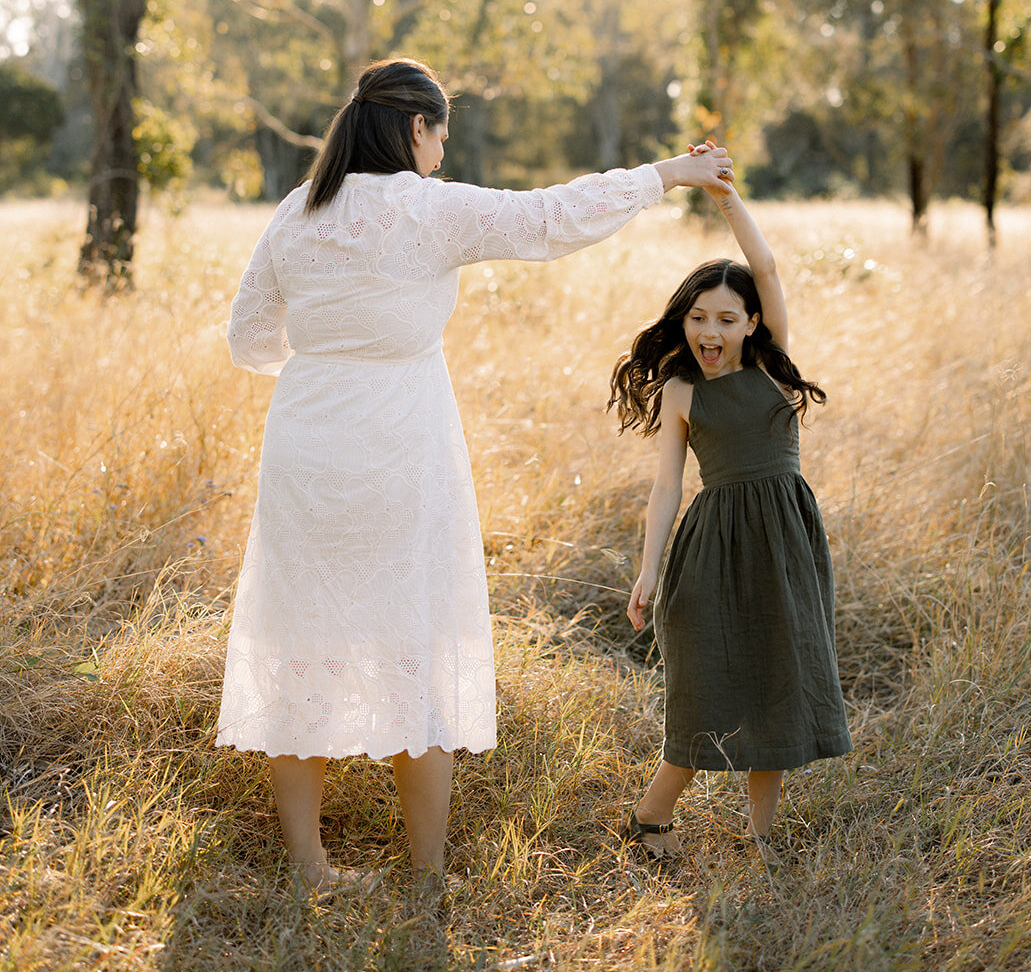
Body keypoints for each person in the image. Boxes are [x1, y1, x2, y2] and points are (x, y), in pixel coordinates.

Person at [217, 58, 735, 892]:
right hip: (400, 442)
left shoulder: (296, 210)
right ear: (415, 129)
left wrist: (330, 362)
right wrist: (667, 174)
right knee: (412, 633)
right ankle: (424, 872)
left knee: (302, 638)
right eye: (440, 136)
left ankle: (311, 867)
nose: (442, 154)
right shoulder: (428, 210)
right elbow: (551, 217)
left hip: (306, 447)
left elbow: (248, 340)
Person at [608, 150, 851, 862]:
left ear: (750, 324)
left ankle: (762, 836)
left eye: (724, 318)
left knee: (779, 675)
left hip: (783, 543)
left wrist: (725, 202)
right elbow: (664, 487)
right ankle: (651, 817)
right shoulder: (683, 392)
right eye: (696, 318)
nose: (707, 332)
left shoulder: (771, 367)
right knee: (706, 687)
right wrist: (647, 572)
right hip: (710, 550)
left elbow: (767, 269)